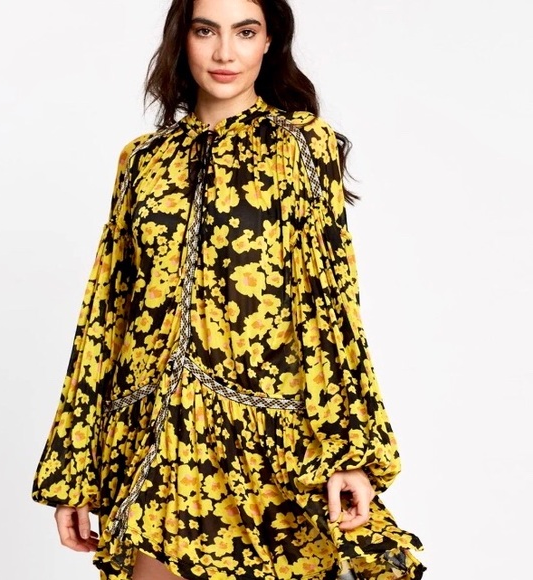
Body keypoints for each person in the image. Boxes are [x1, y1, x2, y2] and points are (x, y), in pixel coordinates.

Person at [32, 0, 425, 578]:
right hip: (158, 439)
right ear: (182, 38)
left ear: (269, 41)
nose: (224, 52)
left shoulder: (301, 146)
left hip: (267, 441)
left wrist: (350, 450)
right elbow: (106, 311)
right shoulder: (142, 160)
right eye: (205, 30)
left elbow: (330, 302)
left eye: (244, 32)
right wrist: (76, 468)